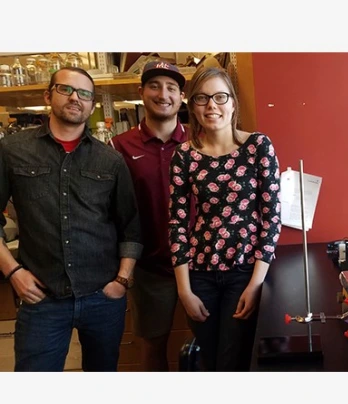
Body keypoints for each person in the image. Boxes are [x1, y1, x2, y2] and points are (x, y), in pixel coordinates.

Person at [0, 67, 143, 372]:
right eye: (66, 89)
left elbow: (130, 226)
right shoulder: (12, 150)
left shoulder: (110, 160)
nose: (75, 98)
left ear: (92, 105)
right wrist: (13, 272)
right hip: (41, 299)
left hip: (103, 297)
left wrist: (121, 280)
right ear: (48, 95)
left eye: (85, 93)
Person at [168, 66, 282, 371]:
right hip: (200, 274)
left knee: (234, 360)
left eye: (220, 97)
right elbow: (177, 223)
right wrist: (184, 290)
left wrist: (256, 283)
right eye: (201, 99)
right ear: (191, 106)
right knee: (212, 357)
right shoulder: (184, 156)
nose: (211, 106)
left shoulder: (258, 147)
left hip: (243, 272)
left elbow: (271, 219)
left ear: (233, 102)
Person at [110, 61, 190, 371]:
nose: (163, 94)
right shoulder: (120, 146)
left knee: (211, 340)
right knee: (153, 346)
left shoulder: (199, 142)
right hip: (149, 268)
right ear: (141, 92)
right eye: (155, 85)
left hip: (199, 264)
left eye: (171, 88)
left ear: (181, 96)